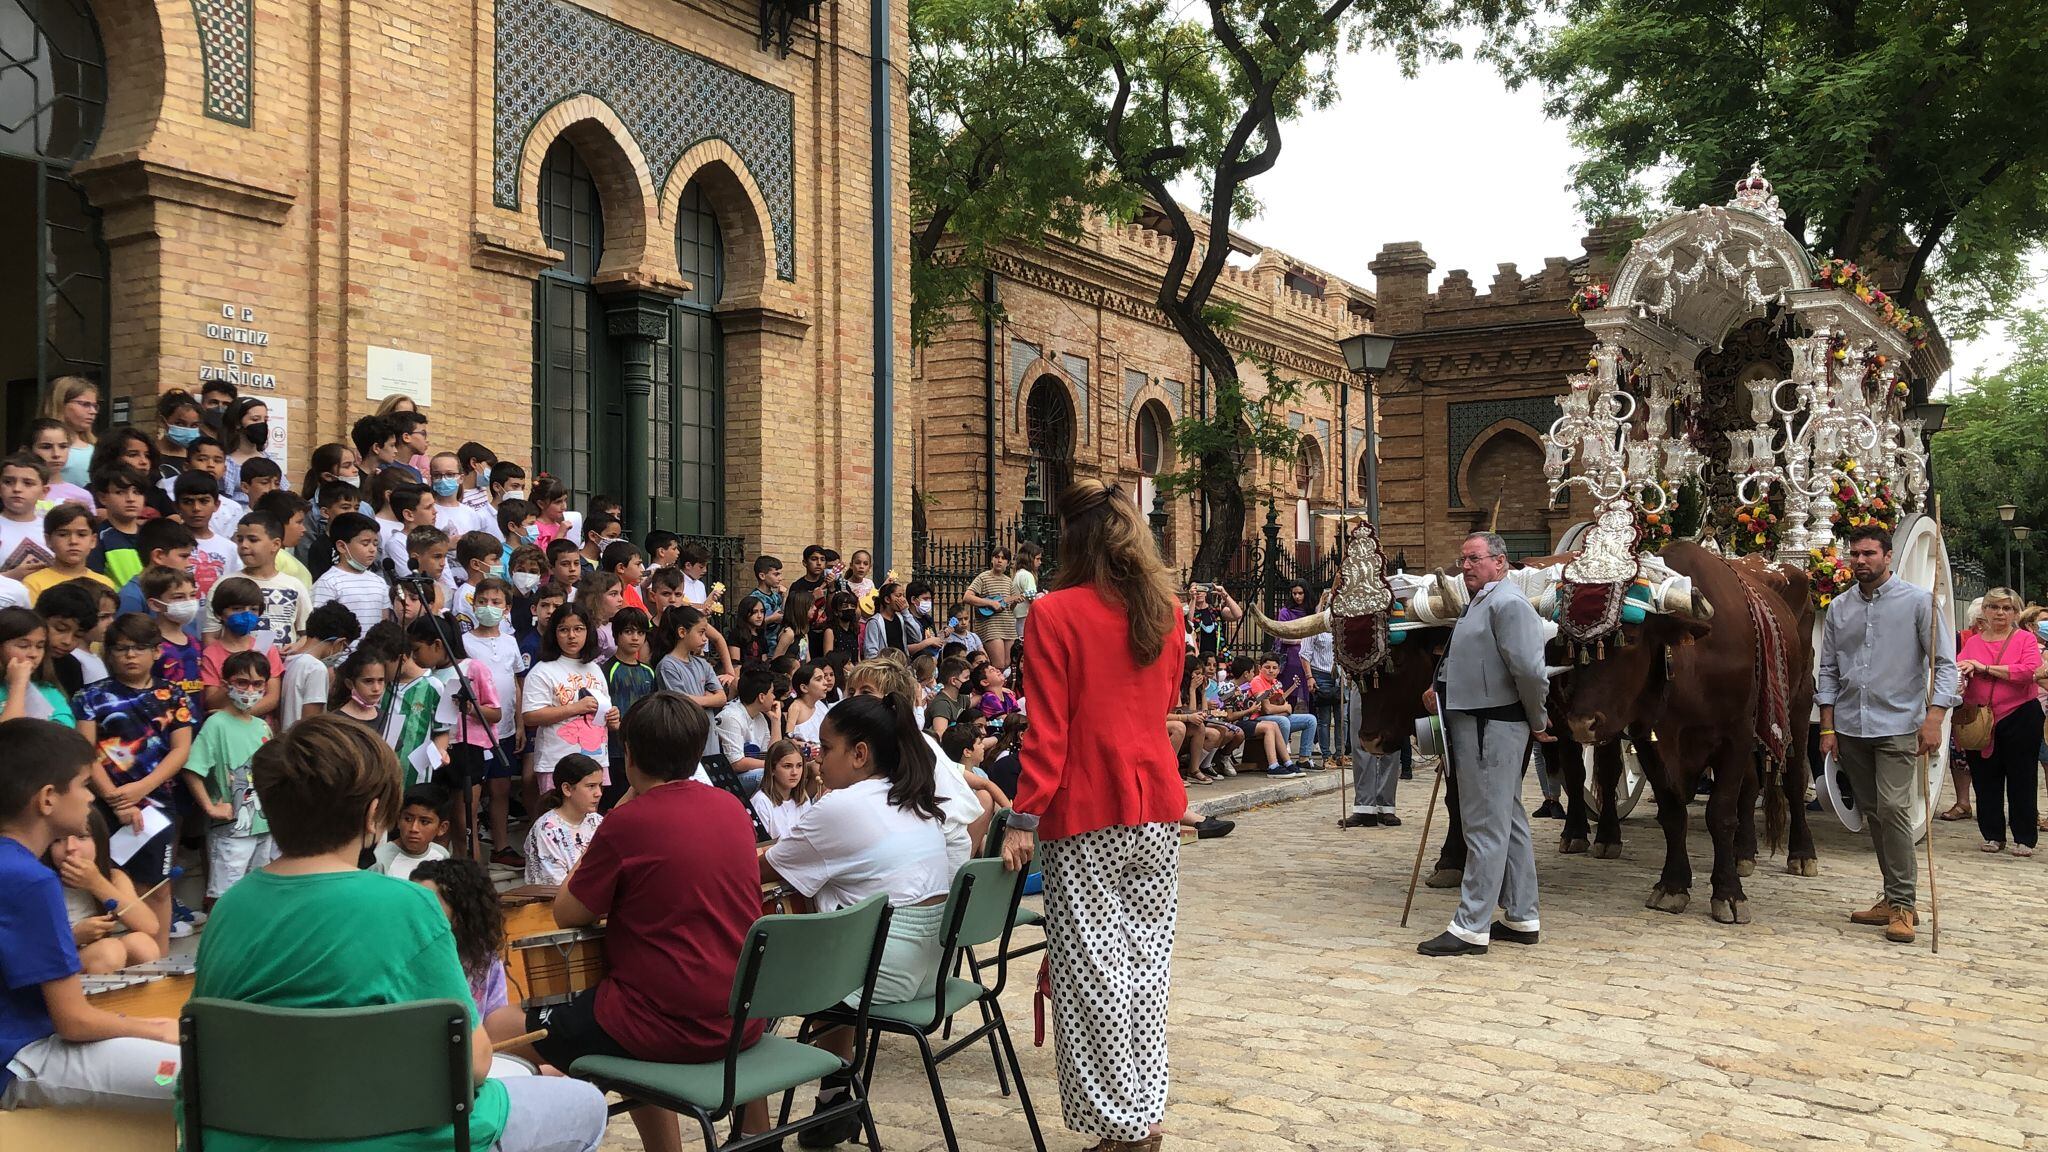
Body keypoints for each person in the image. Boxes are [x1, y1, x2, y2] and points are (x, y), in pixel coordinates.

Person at [188, 714, 608, 1151]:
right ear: (374, 815)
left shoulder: (229, 910)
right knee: (584, 1104)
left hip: (247, 1137)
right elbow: (475, 1064)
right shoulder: (408, 905)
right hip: (391, 1137)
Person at [998, 480, 1186, 1152]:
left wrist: (1023, 819)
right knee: (1144, 969)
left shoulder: (1053, 613)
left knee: (1092, 977)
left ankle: (1124, 1126)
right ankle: (1142, 1112)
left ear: (1070, 539)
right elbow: (1160, 701)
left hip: (1085, 812)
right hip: (1154, 808)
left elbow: (1048, 732)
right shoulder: (1166, 609)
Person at [534, 693, 770, 1152]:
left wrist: (619, 810)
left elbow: (567, 911)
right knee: (621, 1022)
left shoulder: (627, 822)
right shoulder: (730, 809)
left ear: (631, 756)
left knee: (501, 1028)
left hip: (662, 1022)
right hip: (741, 1014)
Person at [762, 692, 951, 1145]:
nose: (817, 760)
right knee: (835, 917)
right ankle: (832, 1100)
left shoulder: (843, 806)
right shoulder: (911, 797)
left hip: (881, 970)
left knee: (754, 972)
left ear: (860, 754)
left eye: (826, 749)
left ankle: (751, 1122)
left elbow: (762, 869)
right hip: (929, 968)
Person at [0, 717, 181, 1111]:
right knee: (192, 1073)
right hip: (21, 1060)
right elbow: (74, 1022)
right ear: (48, 798)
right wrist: (154, 1029)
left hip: (24, 1044)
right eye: (83, 785)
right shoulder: (29, 879)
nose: (89, 798)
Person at [1817, 524, 1960, 945]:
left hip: (1899, 724)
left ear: (1888, 556)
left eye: (1869, 554)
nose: (1860, 561)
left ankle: (1904, 906)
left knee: (1896, 809)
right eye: (1855, 554)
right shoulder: (1840, 608)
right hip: (1850, 725)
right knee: (1874, 813)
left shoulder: (1919, 603)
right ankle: (1891, 894)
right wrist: (1827, 726)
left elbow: (1945, 664)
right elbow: (1827, 670)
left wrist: (1934, 718)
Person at [1415, 531, 1549, 958]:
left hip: (1491, 726)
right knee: (1507, 820)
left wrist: (1538, 718)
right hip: (1472, 720)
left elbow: (1529, 670)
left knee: (1483, 827)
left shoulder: (1509, 604)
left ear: (1500, 562)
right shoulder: (1481, 602)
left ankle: (1471, 926)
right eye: (1463, 559)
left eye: (1473, 558)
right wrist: (1442, 687)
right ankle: (1523, 916)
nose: (1465, 566)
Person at [72, 611, 194, 952]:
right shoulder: (89, 696)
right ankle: (108, 955)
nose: (130, 655)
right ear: (108, 652)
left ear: (156, 652)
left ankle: (157, 957)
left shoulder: (173, 694)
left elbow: (180, 750)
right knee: (109, 880)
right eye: (121, 648)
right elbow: (85, 750)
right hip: (100, 804)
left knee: (158, 884)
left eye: (139, 648)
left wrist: (141, 789)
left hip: (158, 802)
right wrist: (114, 797)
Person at [182, 648, 277, 903]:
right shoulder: (216, 724)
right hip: (231, 828)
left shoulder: (261, 726)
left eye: (257, 684)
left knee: (258, 893)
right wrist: (210, 807)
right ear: (226, 684)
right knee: (225, 895)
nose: (249, 690)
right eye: (242, 682)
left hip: (263, 824)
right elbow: (193, 769)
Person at [1955, 585, 2041, 855]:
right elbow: (1959, 668)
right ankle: (1992, 833)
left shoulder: (2024, 639)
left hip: (2019, 714)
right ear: (1985, 611)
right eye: (1994, 607)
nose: (2000, 613)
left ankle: (2024, 837)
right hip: (1980, 717)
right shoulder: (1973, 642)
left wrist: (1985, 668)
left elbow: (2029, 671)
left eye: (2007, 608)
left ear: (2016, 612)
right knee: (1984, 777)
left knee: (2022, 776)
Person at [410, 856, 527, 1044]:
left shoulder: (483, 956)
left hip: (474, 1057)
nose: (416, 914)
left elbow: (494, 1020)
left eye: (429, 906)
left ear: (460, 911)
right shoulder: (404, 958)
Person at [46, 807, 162, 973]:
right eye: (58, 839)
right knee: (109, 951)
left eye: (81, 836)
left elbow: (150, 926)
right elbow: (28, 948)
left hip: (103, 955)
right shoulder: (40, 882)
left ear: (99, 841)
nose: (70, 847)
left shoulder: (113, 877)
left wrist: (96, 883)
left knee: (142, 944)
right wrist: (74, 937)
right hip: (59, 969)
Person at [521, 603, 619, 792]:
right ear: (554, 634)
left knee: (589, 817)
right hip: (557, 762)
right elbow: (531, 716)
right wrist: (575, 708)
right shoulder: (543, 671)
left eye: (578, 629)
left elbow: (604, 711)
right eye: (564, 630)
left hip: (595, 761)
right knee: (557, 816)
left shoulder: (594, 668)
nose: (572, 635)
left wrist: (612, 718)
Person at [523, 752, 603, 884]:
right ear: (567, 789)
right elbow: (553, 886)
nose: (598, 793)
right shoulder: (545, 831)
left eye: (600, 786)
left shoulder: (597, 821)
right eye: (591, 786)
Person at [310, 511, 391, 639]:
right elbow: (320, 627)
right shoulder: (328, 582)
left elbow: (384, 621)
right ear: (342, 546)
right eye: (365, 543)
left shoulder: (379, 582)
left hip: (373, 654)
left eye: (375, 544)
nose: (372, 549)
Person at [282, 601, 361, 723]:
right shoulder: (316, 668)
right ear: (340, 642)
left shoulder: (289, 659)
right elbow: (312, 722)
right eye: (344, 649)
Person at [373, 782, 453, 880]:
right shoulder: (379, 859)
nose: (413, 828)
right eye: (408, 819)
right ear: (398, 820)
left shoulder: (441, 855)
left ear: (442, 828)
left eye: (424, 822)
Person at [749, 738, 816, 839]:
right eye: (787, 766)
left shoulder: (803, 799)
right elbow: (758, 848)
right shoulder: (761, 802)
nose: (795, 772)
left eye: (799, 766)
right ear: (772, 769)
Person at [965, 548, 1018, 669]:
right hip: (991, 627)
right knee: (998, 665)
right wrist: (990, 603)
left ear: (1008, 563)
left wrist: (1015, 601)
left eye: (1003, 558)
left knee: (1008, 665)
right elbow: (967, 597)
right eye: (997, 557)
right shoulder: (983, 577)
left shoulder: (1009, 581)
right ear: (992, 559)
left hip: (1008, 627)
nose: (999, 561)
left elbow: (1010, 608)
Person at [43, 377, 98, 489]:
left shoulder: (96, 446)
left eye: (95, 406)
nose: (93, 411)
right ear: (61, 404)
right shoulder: (43, 447)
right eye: (84, 404)